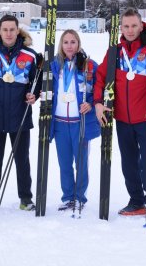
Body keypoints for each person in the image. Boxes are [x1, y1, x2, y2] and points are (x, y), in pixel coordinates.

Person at [94, 8, 146, 219]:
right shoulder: (114, 52)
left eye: (134, 26)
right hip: (122, 119)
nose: (130, 30)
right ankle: (136, 201)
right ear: (120, 28)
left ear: (141, 26)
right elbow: (100, 78)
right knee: (129, 162)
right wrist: (97, 103)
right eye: (126, 26)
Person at [0, 14, 41, 211]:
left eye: (12, 29)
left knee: (22, 161)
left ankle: (26, 198)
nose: (8, 33)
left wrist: (35, 95)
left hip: (19, 116)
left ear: (18, 31)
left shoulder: (30, 55)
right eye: (4, 29)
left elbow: (36, 82)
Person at [50, 30, 100, 211]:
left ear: (78, 44)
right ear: (61, 45)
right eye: (66, 42)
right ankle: (68, 197)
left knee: (81, 163)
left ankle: (79, 197)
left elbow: (100, 90)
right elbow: (45, 85)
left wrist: (91, 104)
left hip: (80, 122)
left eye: (73, 42)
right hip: (60, 122)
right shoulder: (55, 65)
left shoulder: (89, 65)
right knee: (64, 163)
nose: (69, 46)